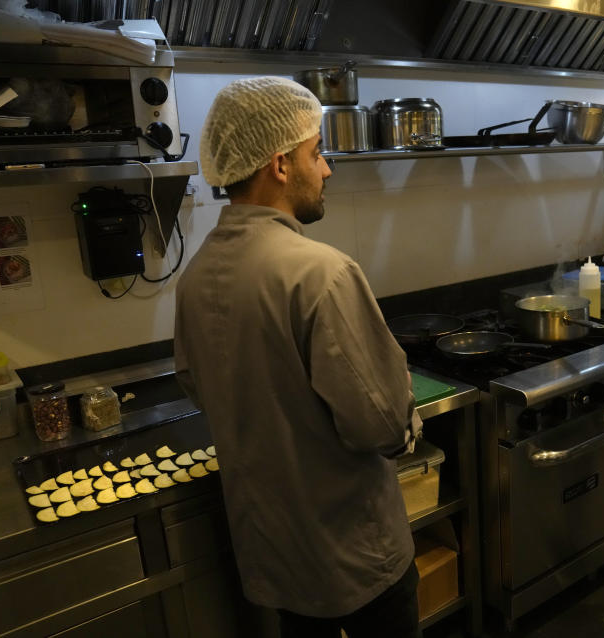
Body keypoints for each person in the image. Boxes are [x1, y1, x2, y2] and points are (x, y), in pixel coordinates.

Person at [174, 76, 423, 638]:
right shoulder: (321, 272)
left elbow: (195, 383)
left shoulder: (195, 278)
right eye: (318, 153)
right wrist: (408, 422)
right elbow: (379, 423)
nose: (328, 169)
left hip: (277, 559)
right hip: (356, 558)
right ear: (280, 164)